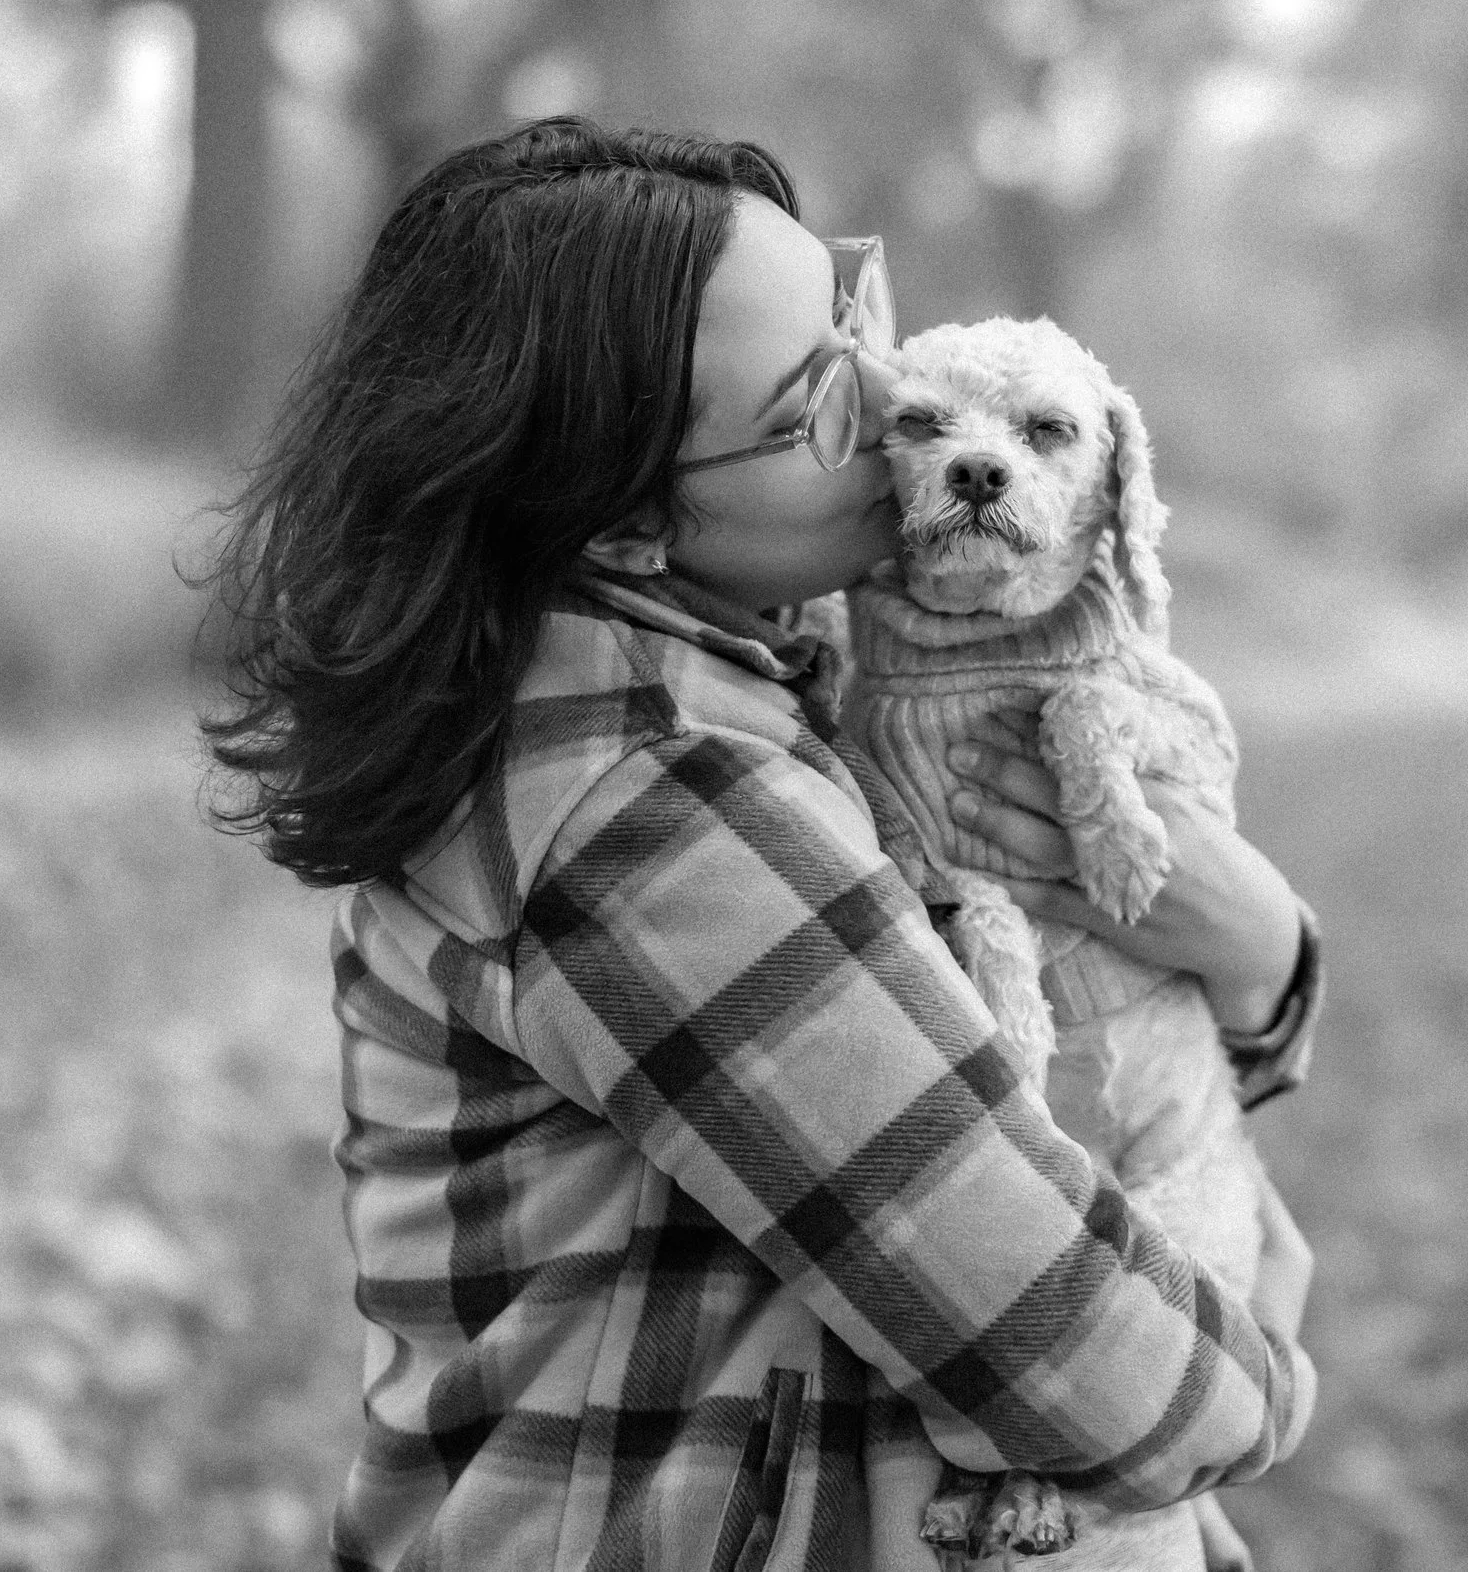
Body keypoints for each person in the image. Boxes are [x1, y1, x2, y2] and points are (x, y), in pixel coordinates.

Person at [203, 117, 1323, 1572]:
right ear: (621, 528)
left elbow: (1042, 1051)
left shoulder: (757, 681)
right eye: (816, 407)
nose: (893, 390)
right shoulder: (649, 804)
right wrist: (1268, 1369)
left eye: (854, 316)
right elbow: (1096, 1367)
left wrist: (1262, 952)